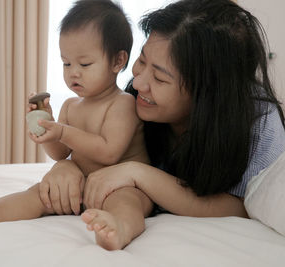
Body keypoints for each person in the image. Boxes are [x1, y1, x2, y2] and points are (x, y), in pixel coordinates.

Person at [79, 0, 285, 249]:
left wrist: (139, 173)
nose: (138, 83)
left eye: (159, 78)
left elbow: (240, 205)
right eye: (142, 60)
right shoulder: (132, 101)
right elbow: (98, 156)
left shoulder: (259, 124)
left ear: (207, 94)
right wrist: (67, 169)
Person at [0, 0, 152, 251]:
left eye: (84, 64)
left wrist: (64, 131)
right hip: (81, 188)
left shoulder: (122, 104)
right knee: (38, 193)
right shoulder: (70, 105)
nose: (73, 72)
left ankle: (118, 229)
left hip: (121, 185)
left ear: (117, 61)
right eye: (66, 63)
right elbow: (60, 154)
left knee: (127, 202)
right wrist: (48, 130)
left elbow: (109, 152)